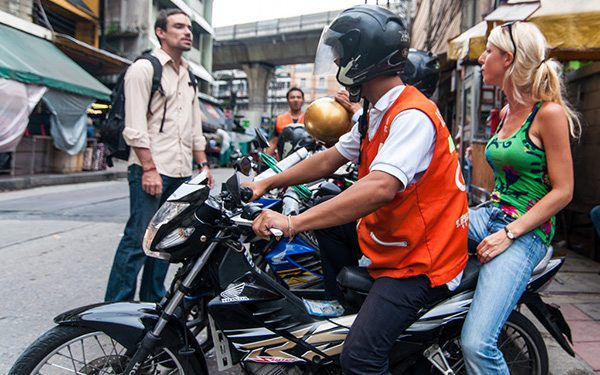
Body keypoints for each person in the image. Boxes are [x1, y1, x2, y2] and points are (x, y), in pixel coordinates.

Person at [243, 5, 468, 373]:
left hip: (422, 260)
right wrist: (267, 181)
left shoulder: (412, 115)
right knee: (327, 223)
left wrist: (292, 223)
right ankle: (344, 311)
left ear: (363, 59)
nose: (337, 66)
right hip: (395, 238)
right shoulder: (374, 112)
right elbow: (329, 158)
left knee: (360, 357)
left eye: (342, 56)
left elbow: (380, 187)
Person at [460, 21, 579, 374]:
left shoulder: (549, 114)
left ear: (508, 59)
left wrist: (508, 234)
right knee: (420, 229)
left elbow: (564, 191)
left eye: (490, 52)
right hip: (490, 214)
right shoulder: (506, 112)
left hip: (525, 233)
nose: (482, 58)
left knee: (477, 344)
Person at [105, 8, 214, 303]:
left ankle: (153, 303)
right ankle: (116, 306)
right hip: (150, 169)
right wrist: (149, 168)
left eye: (189, 27)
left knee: (166, 243)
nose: (187, 32)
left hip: (180, 172)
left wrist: (203, 165)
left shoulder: (188, 75)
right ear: (161, 33)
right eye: (178, 26)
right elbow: (134, 125)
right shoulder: (144, 68)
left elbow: (194, 126)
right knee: (137, 240)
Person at [266, 87, 305, 156]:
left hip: (306, 159)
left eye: (298, 97)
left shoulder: (309, 119)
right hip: (284, 160)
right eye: (292, 97)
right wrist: (265, 158)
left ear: (303, 100)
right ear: (288, 100)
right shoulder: (280, 119)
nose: (296, 100)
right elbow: (273, 142)